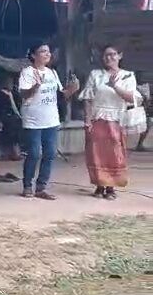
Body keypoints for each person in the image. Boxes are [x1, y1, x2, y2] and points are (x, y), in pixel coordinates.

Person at [18, 42, 79, 199]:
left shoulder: (52, 73)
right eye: (43, 51)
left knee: (50, 153)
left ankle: (41, 186)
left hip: (51, 119)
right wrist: (35, 87)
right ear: (33, 55)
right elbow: (24, 95)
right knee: (33, 153)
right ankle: (27, 185)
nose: (47, 54)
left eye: (48, 51)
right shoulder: (27, 72)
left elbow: (60, 96)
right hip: (33, 119)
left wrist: (72, 90)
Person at [79, 45, 137, 199]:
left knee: (115, 153)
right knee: (96, 153)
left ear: (120, 56)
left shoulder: (128, 75)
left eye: (112, 55)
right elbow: (87, 98)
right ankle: (99, 185)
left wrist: (115, 86)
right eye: (105, 55)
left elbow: (131, 98)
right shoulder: (96, 74)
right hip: (98, 118)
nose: (109, 58)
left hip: (117, 119)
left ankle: (111, 187)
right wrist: (87, 120)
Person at [0, 74, 24, 160]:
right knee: (12, 124)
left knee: (19, 122)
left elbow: (16, 108)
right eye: (8, 82)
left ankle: (21, 148)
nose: (10, 84)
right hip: (1, 116)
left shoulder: (14, 93)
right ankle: (14, 151)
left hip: (13, 115)